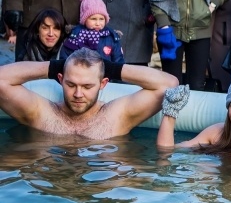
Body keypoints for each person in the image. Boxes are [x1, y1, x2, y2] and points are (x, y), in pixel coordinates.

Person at [0, 47, 178, 138]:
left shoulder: (117, 116)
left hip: (100, 197)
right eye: (71, 84)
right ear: (60, 79)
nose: (78, 94)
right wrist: (52, 66)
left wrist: (112, 69)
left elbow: (169, 84)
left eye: (87, 86)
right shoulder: (41, 112)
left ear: (103, 83)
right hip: (51, 191)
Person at [60, 0, 124, 63]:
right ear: (84, 20)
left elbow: (118, 60)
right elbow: (65, 57)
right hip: (80, 72)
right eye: (93, 19)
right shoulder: (75, 35)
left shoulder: (111, 37)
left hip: (105, 73)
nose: (98, 23)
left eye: (101, 19)